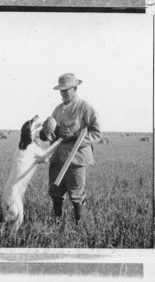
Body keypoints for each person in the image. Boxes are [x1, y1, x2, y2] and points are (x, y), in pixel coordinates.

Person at [48, 73, 101, 225]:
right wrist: (47, 133)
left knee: (76, 195)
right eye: (61, 90)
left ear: (75, 88)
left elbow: (96, 132)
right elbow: (52, 131)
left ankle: (79, 227)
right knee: (55, 192)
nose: (63, 93)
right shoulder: (58, 109)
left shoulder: (84, 107)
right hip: (57, 158)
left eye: (66, 90)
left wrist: (77, 139)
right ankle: (56, 223)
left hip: (75, 159)